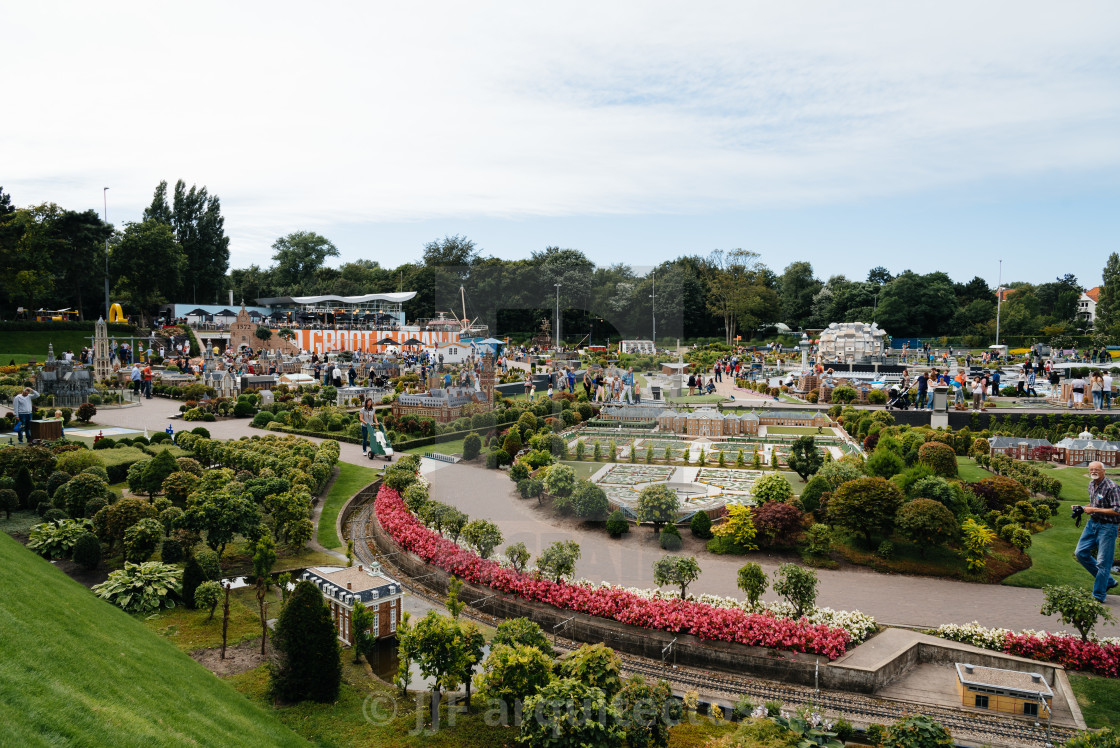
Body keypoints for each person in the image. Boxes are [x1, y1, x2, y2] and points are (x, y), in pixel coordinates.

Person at [1074, 461, 1120, 602]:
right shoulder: (1091, 484)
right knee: (1080, 553)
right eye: (1091, 469)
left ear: (1104, 471)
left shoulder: (1112, 487)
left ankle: (1099, 595)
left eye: (1096, 469)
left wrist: (1093, 509)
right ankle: (1109, 581)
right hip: (1092, 524)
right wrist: (1082, 507)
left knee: (1103, 563)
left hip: (1108, 528)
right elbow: (1095, 504)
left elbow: (1117, 510)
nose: (1093, 471)